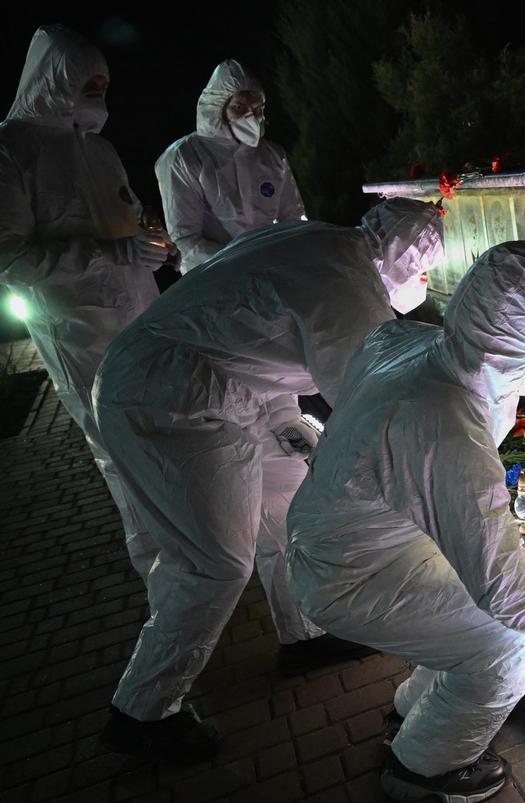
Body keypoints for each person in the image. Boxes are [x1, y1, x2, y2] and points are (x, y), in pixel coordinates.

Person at [285, 241, 525, 803]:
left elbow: (484, 376)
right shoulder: (446, 430)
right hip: (350, 577)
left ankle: (413, 714)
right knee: (509, 641)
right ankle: (422, 768)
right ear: (515, 340)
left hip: (345, 537)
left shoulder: (407, 342)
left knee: (461, 605)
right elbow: (508, 593)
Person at [95, 198, 444, 763]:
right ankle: (142, 712)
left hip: (225, 392)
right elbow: (370, 399)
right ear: (400, 261)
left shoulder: (326, 243)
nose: (426, 285)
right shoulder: (348, 285)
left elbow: (263, 337)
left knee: (284, 505)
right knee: (212, 564)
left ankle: (306, 635)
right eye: (424, 272)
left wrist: (292, 430)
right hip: (171, 403)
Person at [0, 25, 165, 579]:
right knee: (123, 455)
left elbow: (124, 218)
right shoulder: (12, 149)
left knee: (168, 437)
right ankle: (167, 582)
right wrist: (111, 255)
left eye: (103, 80)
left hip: (142, 318)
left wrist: (146, 247)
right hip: (79, 334)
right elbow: (11, 259)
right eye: (85, 78)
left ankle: (205, 556)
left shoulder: (99, 149)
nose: (98, 87)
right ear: (54, 79)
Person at [156, 60, 306, 275]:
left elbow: (293, 218)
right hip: (212, 276)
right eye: (239, 107)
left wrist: (293, 256)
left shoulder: (272, 155)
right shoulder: (185, 156)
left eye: (257, 109)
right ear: (217, 107)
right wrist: (244, 261)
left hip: (270, 272)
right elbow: (186, 239)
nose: (250, 117)